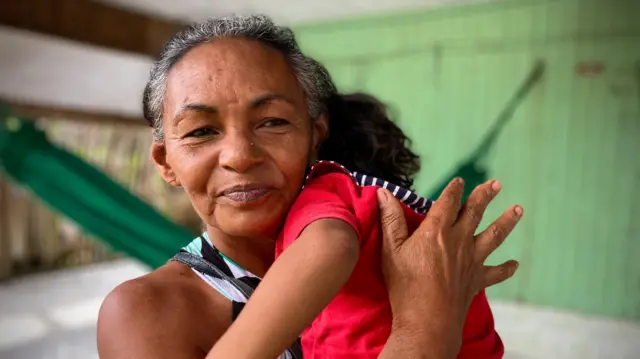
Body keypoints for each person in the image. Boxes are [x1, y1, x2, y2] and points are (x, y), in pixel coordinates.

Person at [97, 15, 522, 359]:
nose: (240, 155)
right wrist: (423, 330)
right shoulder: (143, 314)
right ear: (165, 162)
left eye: (272, 122)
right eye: (201, 131)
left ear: (315, 136)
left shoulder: (396, 257)